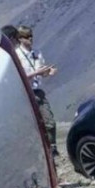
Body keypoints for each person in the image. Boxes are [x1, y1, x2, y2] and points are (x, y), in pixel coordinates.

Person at [15, 25, 59, 156]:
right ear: (20, 38)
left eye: (31, 36)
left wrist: (48, 72)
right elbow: (19, 76)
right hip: (25, 93)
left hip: (37, 90)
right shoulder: (17, 55)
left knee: (49, 121)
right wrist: (36, 73)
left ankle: (52, 147)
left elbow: (42, 72)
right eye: (27, 37)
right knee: (32, 125)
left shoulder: (37, 53)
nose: (30, 39)